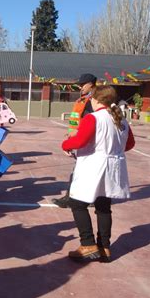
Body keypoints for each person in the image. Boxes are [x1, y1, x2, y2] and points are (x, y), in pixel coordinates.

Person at [61, 85, 135, 262]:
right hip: (114, 167)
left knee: (77, 203)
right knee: (103, 207)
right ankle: (104, 247)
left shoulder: (93, 118)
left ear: (96, 100)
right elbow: (130, 144)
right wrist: (112, 149)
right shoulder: (122, 120)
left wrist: (66, 144)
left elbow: (80, 140)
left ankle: (87, 244)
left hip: (94, 167)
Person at [52, 73, 97, 208]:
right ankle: (89, 198)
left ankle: (73, 198)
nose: (80, 87)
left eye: (83, 84)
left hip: (90, 142)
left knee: (80, 172)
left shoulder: (95, 101)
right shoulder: (81, 101)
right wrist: (70, 136)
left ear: (91, 84)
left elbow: (91, 124)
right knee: (82, 171)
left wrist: (75, 139)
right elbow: (74, 121)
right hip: (81, 140)